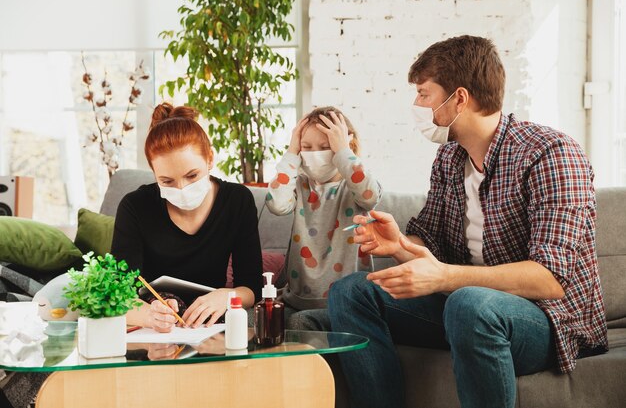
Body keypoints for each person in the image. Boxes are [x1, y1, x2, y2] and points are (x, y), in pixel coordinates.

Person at [328, 35, 608, 408]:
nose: (417, 105)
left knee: (468, 303)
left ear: (459, 98)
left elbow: (551, 279)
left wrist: (447, 277)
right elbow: (432, 247)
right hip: (467, 310)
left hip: (547, 321)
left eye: (424, 94)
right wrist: (399, 245)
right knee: (351, 291)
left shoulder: (551, 154)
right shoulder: (449, 159)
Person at [111, 102, 263, 332]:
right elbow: (118, 293)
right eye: (167, 182)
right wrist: (149, 316)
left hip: (210, 317)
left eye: (192, 176)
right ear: (154, 174)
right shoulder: (135, 207)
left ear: (210, 159)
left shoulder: (237, 201)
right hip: (153, 319)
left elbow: (252, 288)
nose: (181, 189)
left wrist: (226, 297)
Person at [266, 107, 382, 330]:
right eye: (306, 147)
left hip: (346, 302)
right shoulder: (299, 186)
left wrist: (344, 152)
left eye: (326, 147)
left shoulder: (354, 186)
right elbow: (276, 204)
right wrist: (291, 152)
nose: (314, 154)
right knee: (254, 322)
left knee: (299, 323)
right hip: (296, 299)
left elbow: (370, 196)